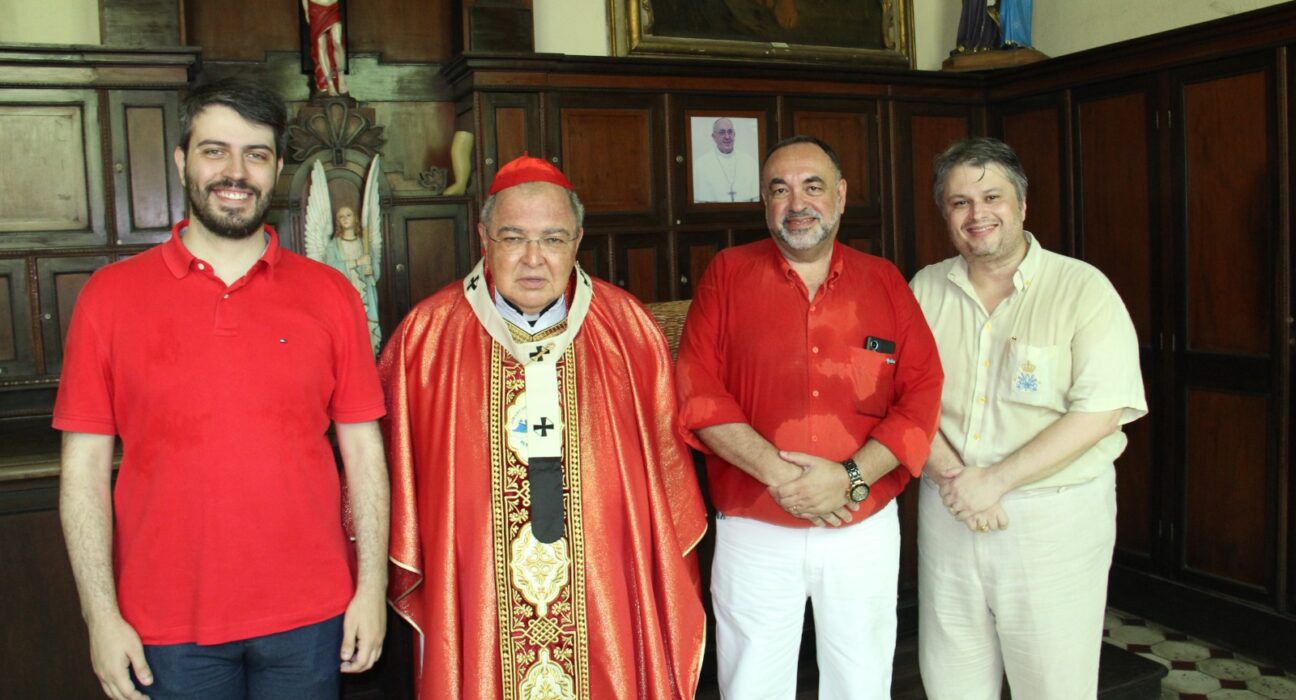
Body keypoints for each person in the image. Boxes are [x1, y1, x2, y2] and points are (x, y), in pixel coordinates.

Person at [55, 77, 389, 700]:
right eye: (215, 151)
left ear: (278, 170)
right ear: (182, 161)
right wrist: (99, 616)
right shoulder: (108, 298)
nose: (235, 172)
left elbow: (364, 453)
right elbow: (83, 472)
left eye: (256, 154)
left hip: (312, 617)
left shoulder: (331, 294)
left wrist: (370, 588)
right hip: (164, 625)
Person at [380, 154, 708, 699]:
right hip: (478, 591)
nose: (533, 259)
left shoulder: (628, 328)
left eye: (553, 239)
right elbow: (394, 475)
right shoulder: (427, 337)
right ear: (484, 238)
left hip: (607, 586)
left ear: (578, 240)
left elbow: (665, 475)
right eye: (513, 237)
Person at [675, 135, 944, 699]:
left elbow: (921, 392)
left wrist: (848, 479)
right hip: (756, 521)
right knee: (751, 682)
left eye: (812, 186)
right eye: (780, 189)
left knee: (861, 680)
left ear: (841, 196)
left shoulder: (886, 281)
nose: (797, 202)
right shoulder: (727, 274)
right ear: (765, 203)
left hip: (862, 523)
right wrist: (786, 478)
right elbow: (698, 393)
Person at [911, 137, 1147, 699]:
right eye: (960, 202)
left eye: (992, 196)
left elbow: (1100, 410)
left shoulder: (1082, 288)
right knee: (951, 680)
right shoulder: (924, 288)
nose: (977, 214)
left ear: (1022, 204)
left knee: (1053, 684)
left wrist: (993, 481)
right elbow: (901, 397)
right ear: (945, 214)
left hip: (1052, 520)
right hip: (949, 510)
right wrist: (954, 477)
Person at [324, 205, 381, 351]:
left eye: (348, 215)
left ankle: (370, 356)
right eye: (341, 216)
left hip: (365, 291)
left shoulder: (364, 243)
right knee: (350, 326)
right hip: (346, 290)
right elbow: (330, 267)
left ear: (355, 218)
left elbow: (375, 269)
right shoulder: (334, 245)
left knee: (366, 325)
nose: (345, 219)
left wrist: (370, 270)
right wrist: (356, 262)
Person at [693, 117, 760, 203]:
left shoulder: (750, 162)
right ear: (714, 137)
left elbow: (756, 200)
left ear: (734, 135)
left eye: (730, 132)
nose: (727, 137)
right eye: (722, 133)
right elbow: (699, 203)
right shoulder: (700, 165)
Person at [302, 0, 348, 95]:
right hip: (316, 8)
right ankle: (330, 83)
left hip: (333, 6)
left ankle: (341, 77)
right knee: (321, 45)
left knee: (337, 42)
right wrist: (306, 10)